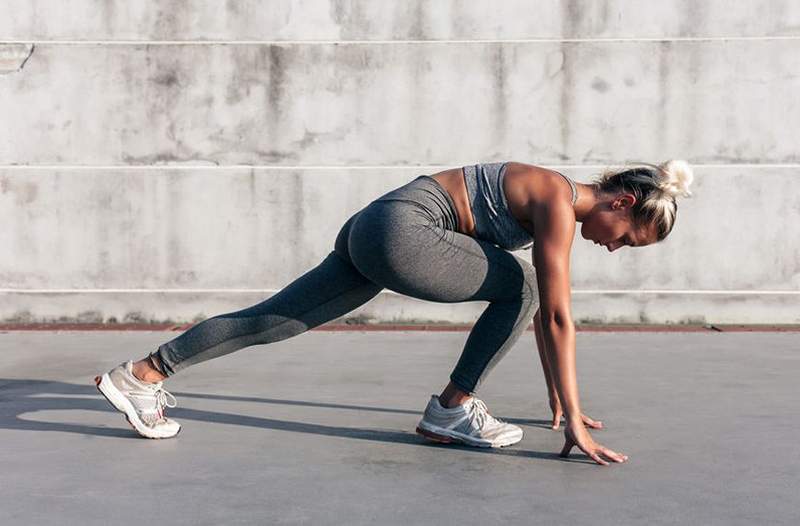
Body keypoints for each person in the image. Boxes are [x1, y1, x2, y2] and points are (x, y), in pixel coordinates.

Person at [94, 160, 693, 466]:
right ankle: (452, 411)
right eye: (624, 239)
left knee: (278, 318)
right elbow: (555, 314)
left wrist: (563, 402)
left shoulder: (550, 191)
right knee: (527, 288)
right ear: (621, 201)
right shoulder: (558, 202)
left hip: (376, 222)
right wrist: (579, 431)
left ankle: (140, 375)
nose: (613, 247)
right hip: (407, 230)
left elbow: (541, 315)